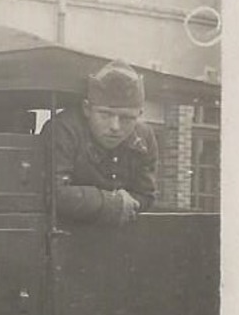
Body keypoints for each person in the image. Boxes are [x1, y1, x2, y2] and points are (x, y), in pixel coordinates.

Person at [45, 60, 158, 225]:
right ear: (86, 109)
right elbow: (53, 193)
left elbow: (146, 195)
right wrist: (111, 203)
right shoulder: (64, 129)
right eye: (105, 115)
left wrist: (119, 204)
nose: (115, 127)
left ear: (139, 114)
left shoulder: (144, 137)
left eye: (127, 118)